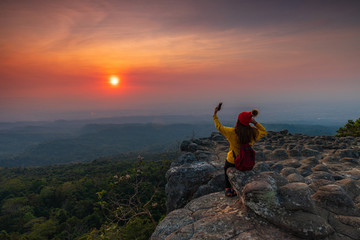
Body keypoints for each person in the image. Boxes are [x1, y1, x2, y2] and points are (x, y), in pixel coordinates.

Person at [213, 103, 267, 197]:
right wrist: (255, 123)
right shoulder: (253, 133)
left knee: (226, 168)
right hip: (246, 160)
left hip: (233, 161)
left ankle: (228, 189)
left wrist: (215, 114)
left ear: (238, 121)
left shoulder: (231, 132)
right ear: (249, 122)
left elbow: (219, 127)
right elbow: (264, 132)